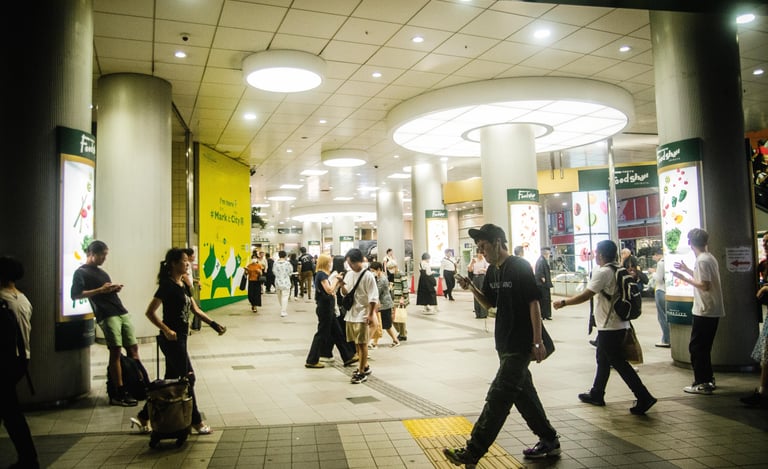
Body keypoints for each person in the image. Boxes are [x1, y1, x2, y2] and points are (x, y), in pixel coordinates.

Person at [443, 224, 560, 466]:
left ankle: (472, 452)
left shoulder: (519, 266)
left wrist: (537, 341)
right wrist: (471, 288)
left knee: (499, 396)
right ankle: (549, 440)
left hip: (521, 344)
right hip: (504, 344)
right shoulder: (492, 271)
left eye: (483, 246)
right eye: (479, 247)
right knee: (524, 396)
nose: (481, 251)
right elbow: (489, 304)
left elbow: (534, 303)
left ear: (497, 242)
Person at [553, 239, 657, 414]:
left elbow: (586, 295)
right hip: (618, 323)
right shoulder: (619, 269)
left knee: (618, 362)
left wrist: (564, 302)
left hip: (610, 326)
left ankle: (644, 396)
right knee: (602, 359)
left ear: (600, 255)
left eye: (596, 252)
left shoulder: (604, 272)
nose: (595, 255)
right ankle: (597, 393)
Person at [133, 248, 226, 435]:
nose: (187, 263)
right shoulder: (166, 286)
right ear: (173, 263)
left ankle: (143, 416)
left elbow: (195, 309)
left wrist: (214, 324)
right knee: (189, 378)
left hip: (182, 338)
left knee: (171, 380)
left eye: (187, 261)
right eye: (184, 261)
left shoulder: (183, 284)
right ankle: (196, 421)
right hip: (172, 340)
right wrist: (166, 330)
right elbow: (150, 312)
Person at [71, 240, 142, 407]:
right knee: (115, 350)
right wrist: (100, 290)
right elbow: (75, 295)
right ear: (92, 254)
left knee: (133, 347)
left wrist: (112, 289)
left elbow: (104, 291)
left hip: (120, 310)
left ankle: (137, 384)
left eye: (105, 255)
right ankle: (119, 391)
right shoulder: (80, 272)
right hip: (106, 314)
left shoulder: (102, 273)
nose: (104, 258)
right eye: (102, 255)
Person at [672, 228, 725, 395]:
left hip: (705, 309)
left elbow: (704, 285)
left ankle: (702, 382)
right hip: (711, 309)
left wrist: (684, 278)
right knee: (703, 347)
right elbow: (704, 279)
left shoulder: (702, 261)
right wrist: (687, 270)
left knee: (697, 348)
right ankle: (708, 379)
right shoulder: (709, 258)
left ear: (690, 242)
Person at [0, 256, 40, 469]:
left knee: (11, 413)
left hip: (5, 360)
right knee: (9, 410)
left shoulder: (2, 298)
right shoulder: (23, 299)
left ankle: (29, 459)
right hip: (21, 358)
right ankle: (28, 458)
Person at [305, 254, 356, 368]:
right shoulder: (321, 275)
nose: (330, 264)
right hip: (325, 308)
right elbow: (329, 290)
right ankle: (312, 360)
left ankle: (348, 357)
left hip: (328, 307)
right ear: (325, 263)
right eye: (329, 262)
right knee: (321, 334)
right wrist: (336, 281)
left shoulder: (322, 274)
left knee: (338, 333)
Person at [341, 248, 378, 384]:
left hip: (363, 314)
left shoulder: (368, 276)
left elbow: (373, 297)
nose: (350, 266)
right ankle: (365, 366)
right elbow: (345, 293)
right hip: (351, 314)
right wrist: (341, 285)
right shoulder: (349, 274)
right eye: (348, 263)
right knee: (356, 343)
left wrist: (370, 314)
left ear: (359, 261)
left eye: (351, 263)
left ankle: (361, 372)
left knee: (362, 344)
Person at [742, 232, 768, 407]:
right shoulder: (764, 264)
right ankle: (762, 391)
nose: (765, 245)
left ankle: (763, 393)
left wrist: (766, 288)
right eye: (764, 242)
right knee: (766, 356)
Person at [369, 261, 400, 348]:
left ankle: (395, 340)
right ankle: (375, 342)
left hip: (385, 305)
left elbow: (377, 291)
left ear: (378, 269)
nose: (372, 272)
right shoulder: (378, 278)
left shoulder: (382, 279)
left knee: (386, 325)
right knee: (380, 324)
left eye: (373, 270)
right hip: (381, 305)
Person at [650, 247, 670, 347]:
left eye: (653, 256)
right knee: (666, 315)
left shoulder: (660, 263)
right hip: (666, 290)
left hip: (660, 290)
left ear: (657, 254)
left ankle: (666, 339)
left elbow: (658, 279)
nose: (653, 258)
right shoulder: (667, 261)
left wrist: (653, 273)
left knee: (662, 316)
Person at [468, 252, 489, 318]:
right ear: (477, 253)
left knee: (482, 294)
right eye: (479, 253)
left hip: (482, 277)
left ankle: (483, 313)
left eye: (481, 253)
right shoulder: (474, 260)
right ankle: (478, 313)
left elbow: (488, 269)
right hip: (475, 277)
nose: (480, 255)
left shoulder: (485, 260)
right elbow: (470, 270)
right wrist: (472, 263)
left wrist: (482, 269)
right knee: (476, 294)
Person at [391, 266, 410, 342]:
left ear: (395, 267)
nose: (390, 270)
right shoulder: (393, 275)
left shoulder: (401, 274)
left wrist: (403, 297)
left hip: (400, 298)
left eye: (391, 268)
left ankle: (403, 334)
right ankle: (403, 332)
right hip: (395, 298)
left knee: (399, 316)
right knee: (393, 317)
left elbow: (405, 286)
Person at [535, 247, 554, 320]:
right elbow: (539, 271)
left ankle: (546, 314)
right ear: (545, 253)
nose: (549, 255)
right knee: (544, 299)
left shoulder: (543, 260)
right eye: (548, 253)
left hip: (544, 284)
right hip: (542, 284)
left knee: (546, 299)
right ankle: (544, 314)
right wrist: (543, 278)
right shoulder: (541, 260)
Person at [273, 251, 293, 317]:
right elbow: (290, 272)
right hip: (286, 282)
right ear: (285, 256)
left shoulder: (275, 263)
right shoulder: (287, 263)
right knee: (285, 297)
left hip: (277, 282)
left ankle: (283, 308)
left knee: (279, 297)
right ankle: (283, 311)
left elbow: (274, 271)